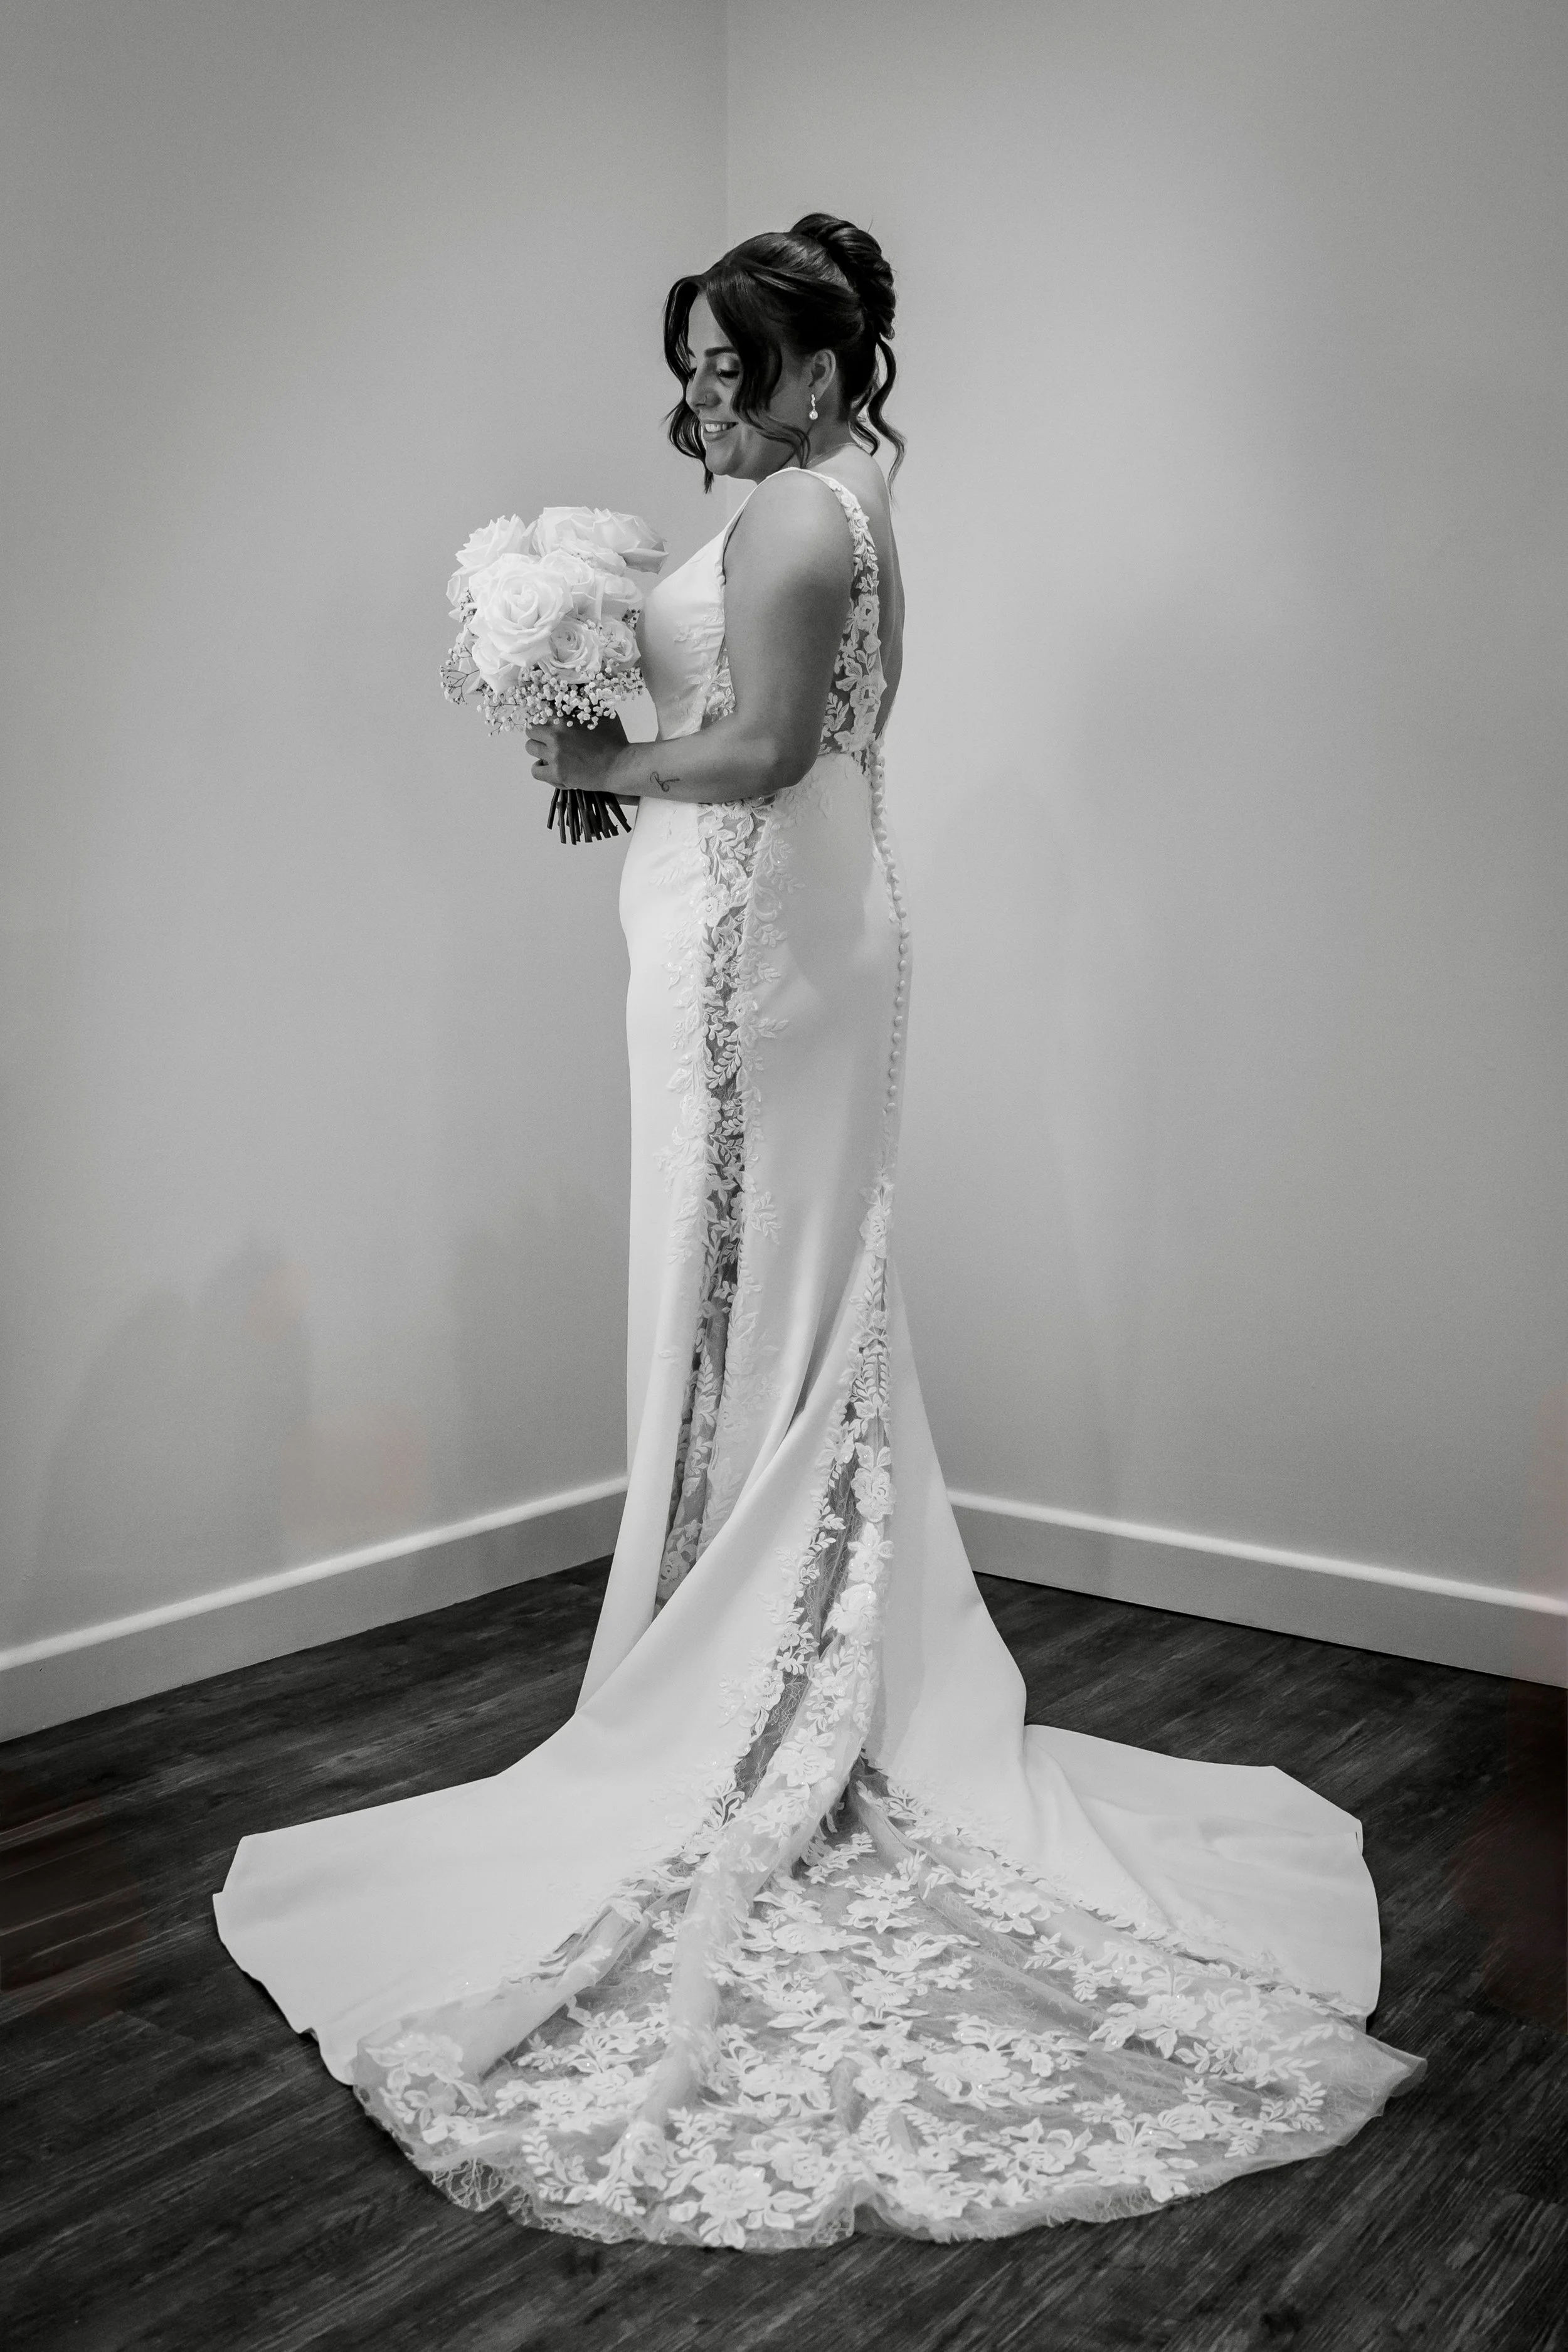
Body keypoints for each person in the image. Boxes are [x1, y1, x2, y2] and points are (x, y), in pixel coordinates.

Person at [215, 213, 1422, 2249]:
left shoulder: (792, 527)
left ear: (821, 365)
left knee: (738, 1290)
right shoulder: (840, 495)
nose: (695, 396)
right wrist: (590, 672)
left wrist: (602, 746)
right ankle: (756, 1639)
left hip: (755, 938)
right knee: (763, 1297)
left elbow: (769, 753)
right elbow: (810, 740)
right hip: (799, 919)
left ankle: (732, 1683)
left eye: (724, 367)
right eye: (685, 360)